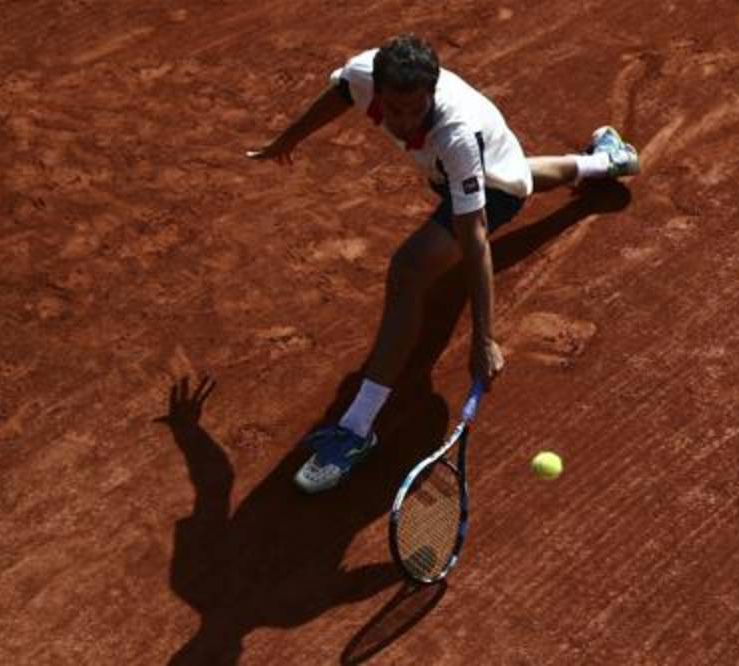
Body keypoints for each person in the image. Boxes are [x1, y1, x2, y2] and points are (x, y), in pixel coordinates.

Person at [247, 34, 639, 493]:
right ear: (379, 89)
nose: (405, 121)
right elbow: (339, 95)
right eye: (395, 110)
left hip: (489, 188)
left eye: (417, 110)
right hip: (480, 165)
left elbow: (474, 236)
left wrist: (484, 338)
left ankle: (355, 431)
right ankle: (607, 161)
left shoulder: (455, 135)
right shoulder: (362, 74)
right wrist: (286, 140)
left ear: (431, 93)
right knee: (514, 171)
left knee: (411, 269)